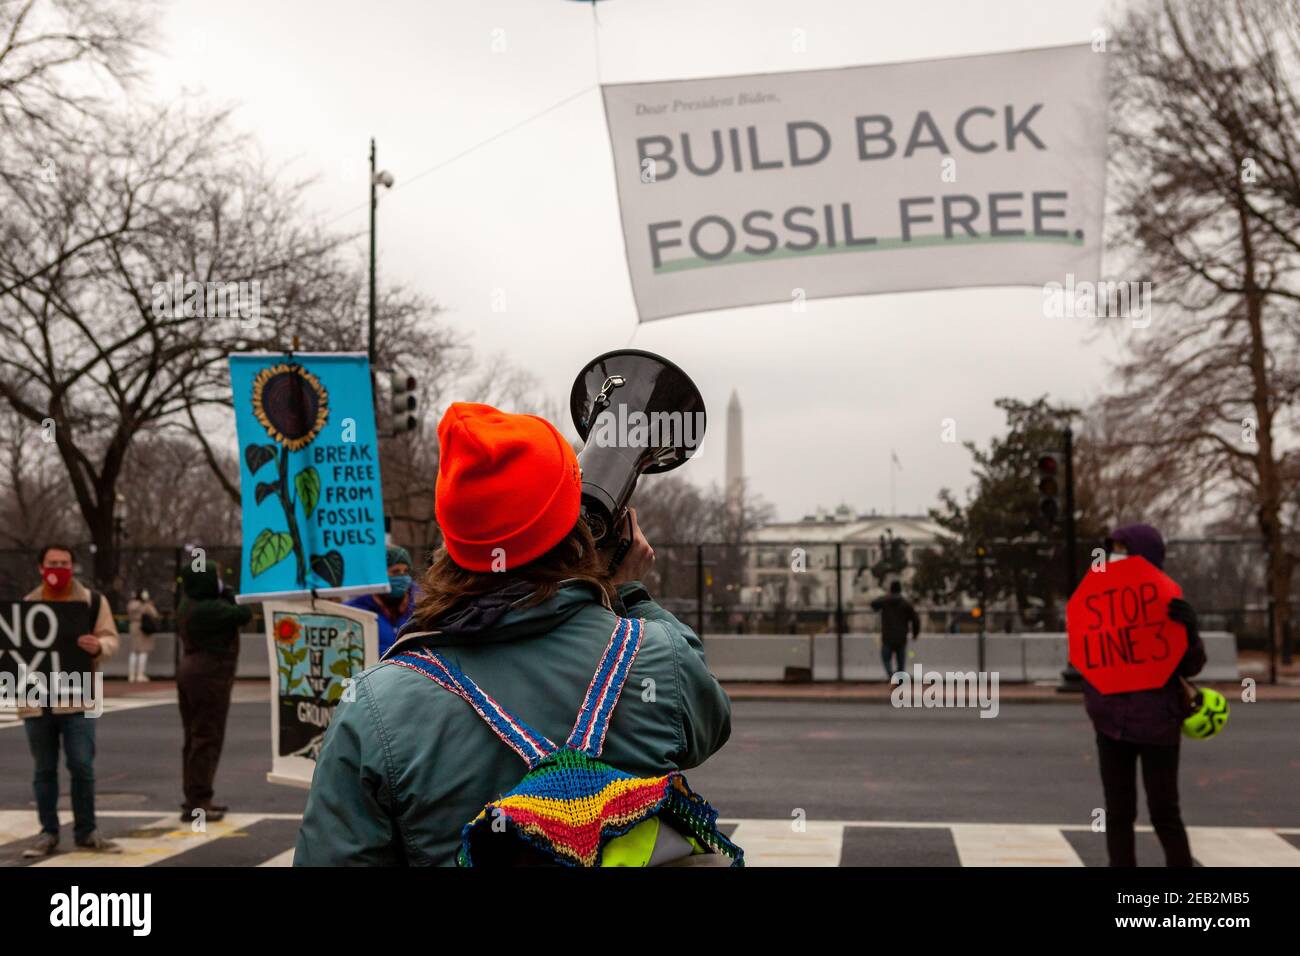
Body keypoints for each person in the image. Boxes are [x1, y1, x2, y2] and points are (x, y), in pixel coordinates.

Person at [295, 402, 733, 866]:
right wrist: (628, 592)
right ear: (575, 529)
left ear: (453, 540)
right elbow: (708, 724)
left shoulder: (373, 704)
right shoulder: (654, 654)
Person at [1085, 523, 1205, 867]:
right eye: (1114, 549)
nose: (1115, 555)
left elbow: (1192, 666)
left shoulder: (1169, 603)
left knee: (1164, 812)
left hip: (1157, 725)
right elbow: (1087, 656)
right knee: (1119, 813)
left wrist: (1190, 631)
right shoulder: (1100, 599)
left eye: (1123, 549)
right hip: (1111, 725)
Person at [19, 545, 121, 857]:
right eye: (53, 563)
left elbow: (112, 639)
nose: (59, 568)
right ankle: (48, 832)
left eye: (64, 563)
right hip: (37, 698)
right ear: (40, 567)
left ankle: (86, 830)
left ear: (73, 566)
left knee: (82, 765)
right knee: (44, 769)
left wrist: (98, 646)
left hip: (78, 698)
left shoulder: (91, 601)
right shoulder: (27, 605)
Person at [176, 564, 252, 823]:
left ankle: (196, 797)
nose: (219, 581)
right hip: (209, 674)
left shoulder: (189, 604)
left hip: (193, 672)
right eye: (215, 577)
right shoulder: (207, 609)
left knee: (195, 737)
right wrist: (230, 593)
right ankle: (198, 801)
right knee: (207, 737)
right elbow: (242, 613)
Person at [344, 545, 417, 657]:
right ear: (378, 575)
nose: (402, 577)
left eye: (406, 571)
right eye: (395, 572)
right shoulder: (355, 611)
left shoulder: (421, 608)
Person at [871, 580, 920, 678]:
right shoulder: (905, 603)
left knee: (886, 658)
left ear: (890, 590)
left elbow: (873, 604)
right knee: (900, 661)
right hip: (901, 637)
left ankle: (891, 675)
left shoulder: (885, 601)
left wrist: (885, 596)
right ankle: (899, 679)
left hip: (887, 636)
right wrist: (915, 633)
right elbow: (915, 619)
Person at [125, 589, 160, 683]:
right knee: (143, 651)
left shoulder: (130, 604)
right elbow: (155, 614)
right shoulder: (145, 605)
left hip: (132, 626)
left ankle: (131, 675)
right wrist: (150, 604)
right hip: (143, 627)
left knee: (133, 651)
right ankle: (140, 674)